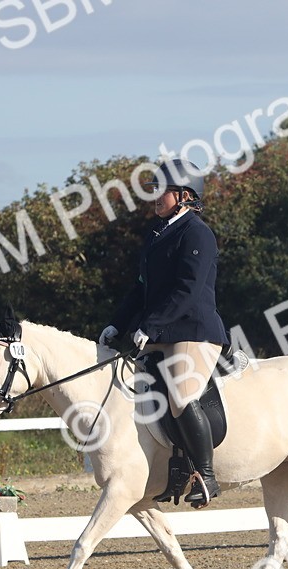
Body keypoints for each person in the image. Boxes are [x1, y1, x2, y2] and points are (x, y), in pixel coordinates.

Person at [100, 158, 229, 508]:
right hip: (162, 332)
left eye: (162, 191)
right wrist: (119, 322)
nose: (155, 197)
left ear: (185, 195)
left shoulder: (196, 233)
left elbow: (186, 291)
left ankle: (206, 474)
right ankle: (172, 468)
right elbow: (140, 290)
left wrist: (148, 327)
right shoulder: (158, 235)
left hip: (195, 331)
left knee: (180, 397)